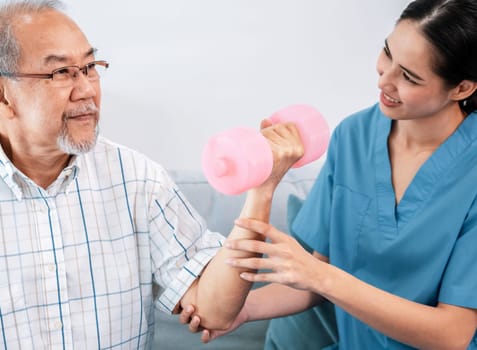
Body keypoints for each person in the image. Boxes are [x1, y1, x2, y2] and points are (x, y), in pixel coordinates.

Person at [0, 0, 304, 348]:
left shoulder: (138, 179)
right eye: (62, 72)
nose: (88, 89)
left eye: (90, 67)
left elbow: (214, 311)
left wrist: (262, 188)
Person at [183, 0, 477, 348]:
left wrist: (320, 277)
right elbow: (316, 276)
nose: (385, 79)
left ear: (462, 89)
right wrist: (242, 310)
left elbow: (452, 334)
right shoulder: (353, 136)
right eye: (387, 53)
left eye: (409, 76)